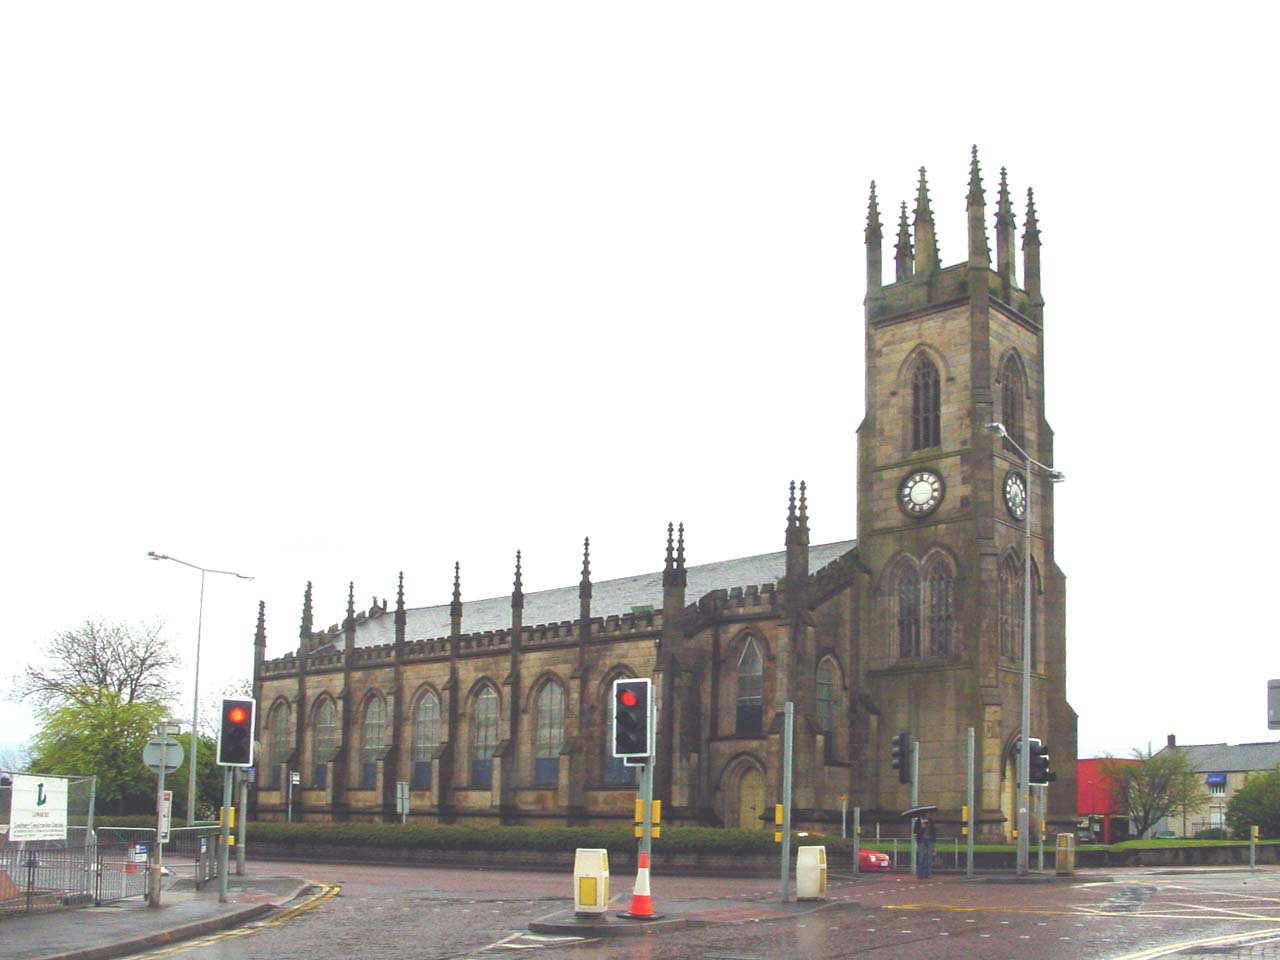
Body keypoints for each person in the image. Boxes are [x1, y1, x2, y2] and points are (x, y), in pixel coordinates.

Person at [913, 813, 937, 878]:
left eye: (928, 814)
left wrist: (934, 842)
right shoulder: (918, 821)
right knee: (921, 857)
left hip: (929, 840)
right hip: (922, 840)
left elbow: (934, 831)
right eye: (926, 814)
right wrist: (922, 827)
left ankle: (928, 874)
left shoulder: (931, 821)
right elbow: (915, 831)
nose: (927, 815)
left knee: (929, 858)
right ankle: (920, 874)